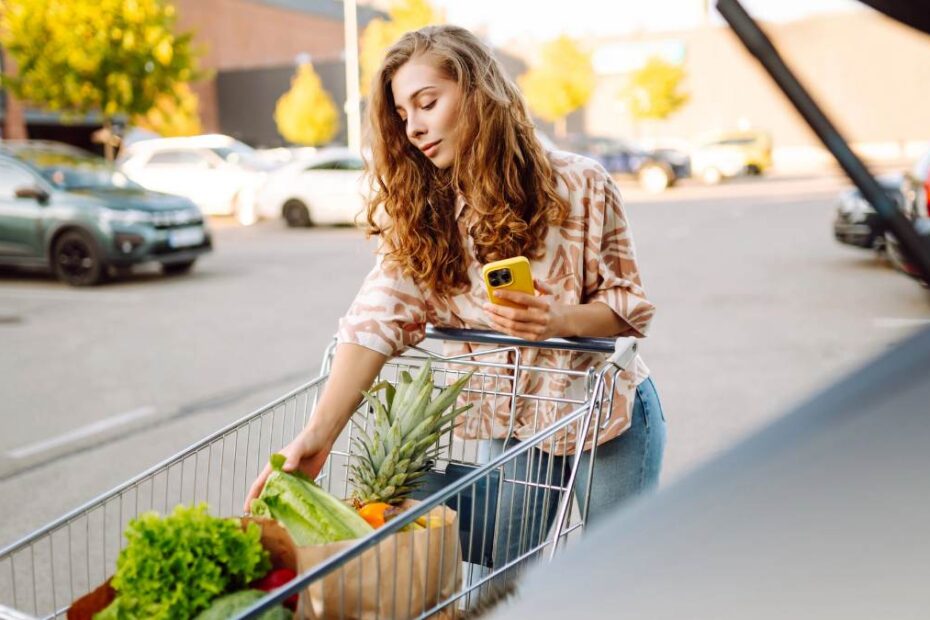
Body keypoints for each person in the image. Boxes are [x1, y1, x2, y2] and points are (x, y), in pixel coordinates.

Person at [245, 24, 666, 564]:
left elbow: (628, 308)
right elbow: (377, 315)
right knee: (498, 585)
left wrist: (559, 319)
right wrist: (317, 436)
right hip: (509, 428)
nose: (415, 127)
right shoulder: (423, 211)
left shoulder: (580, 183)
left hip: (606, 417)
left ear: (477, 91)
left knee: (615, 575)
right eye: (402, 114)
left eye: (427, 102)